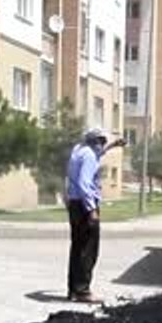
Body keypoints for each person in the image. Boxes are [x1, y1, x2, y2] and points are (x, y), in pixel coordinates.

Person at [65, 128, 125, 303]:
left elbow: (96, 156)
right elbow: (84, 183)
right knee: (88, 250)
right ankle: (83, 291)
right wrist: (91, 209)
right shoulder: (90, 156)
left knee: (77, 249)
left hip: (75, 204)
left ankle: (74, 290)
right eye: (102, 142)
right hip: (85, 206)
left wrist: (113, 146)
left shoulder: (78, 151)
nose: (103, 145)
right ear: (96, 142)